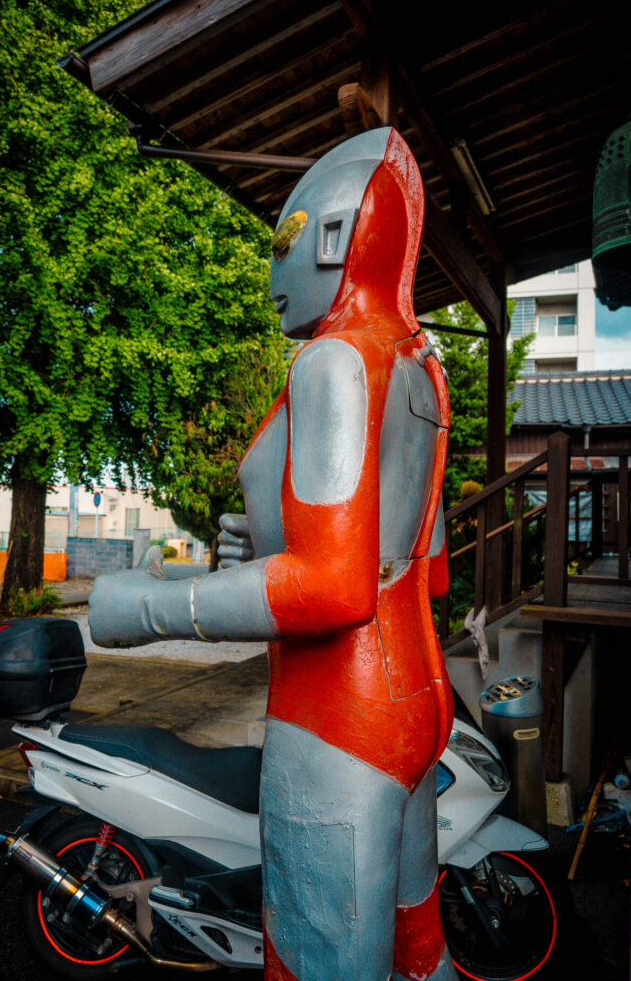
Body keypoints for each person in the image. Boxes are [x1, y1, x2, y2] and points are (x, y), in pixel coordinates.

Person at [89, 126, 456, 981]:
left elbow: (331, 587)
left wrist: (141, 605)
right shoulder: (418, 369)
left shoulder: (331, 360)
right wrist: (268, 537)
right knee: (414, 949)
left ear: (332, 238)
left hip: (336, 717)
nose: (271, 276)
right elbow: (419, 562)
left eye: (281, 244)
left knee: (319, 958)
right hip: (414, 698)